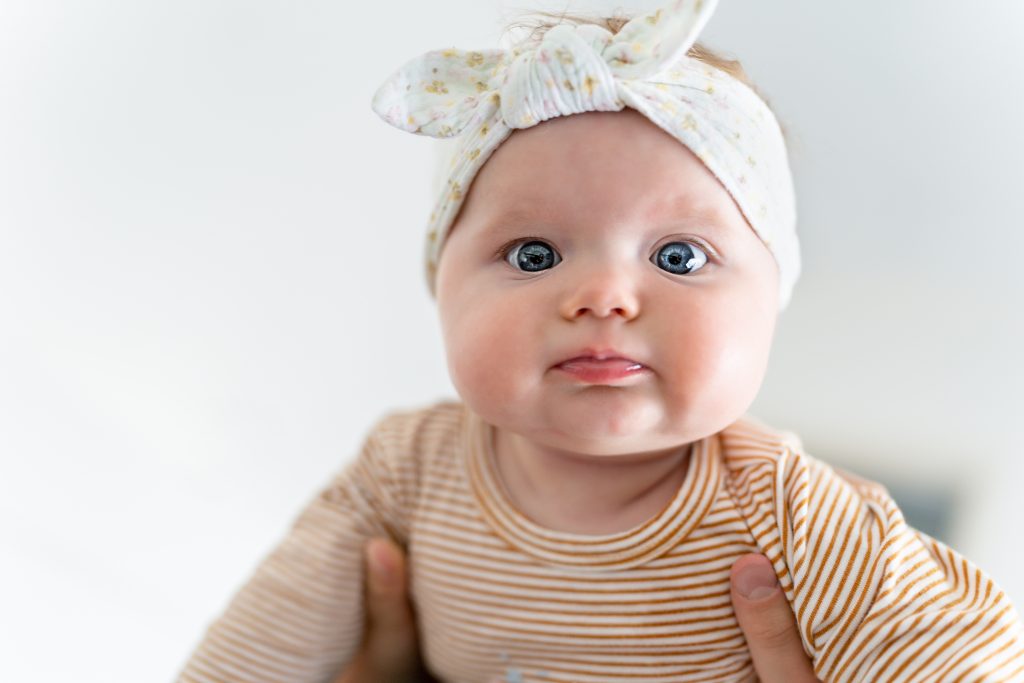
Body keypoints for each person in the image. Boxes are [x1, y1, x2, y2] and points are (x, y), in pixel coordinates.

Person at [178, 0, 1024, 680]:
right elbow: (249, 658)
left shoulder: (791, 513)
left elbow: (968, 656)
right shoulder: (405, 470)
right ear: (442, 286)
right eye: (534, 253)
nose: (604, 297)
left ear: (773, 301)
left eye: (679, 256)